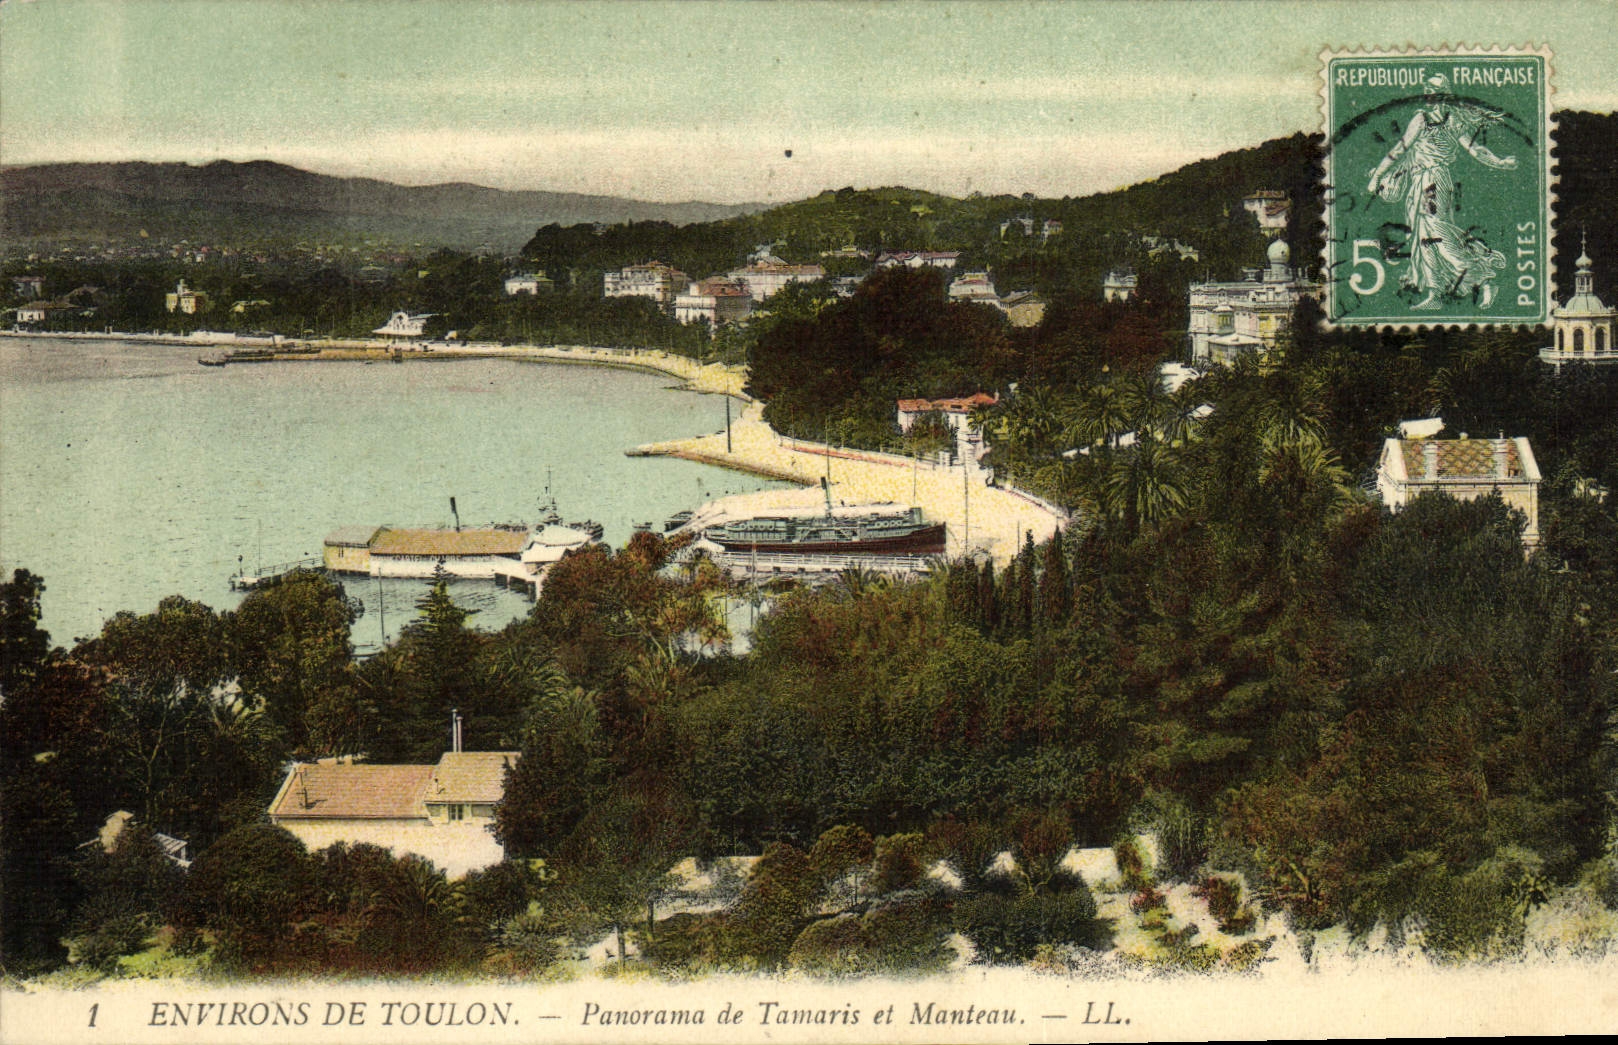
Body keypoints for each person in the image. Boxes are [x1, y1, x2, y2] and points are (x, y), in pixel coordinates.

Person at [1367, 74, 1517, 309]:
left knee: (1436, 232)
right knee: (1423, 237)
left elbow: (1400, 149)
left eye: (1433, 89)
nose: (1428, 93)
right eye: (1426, 89)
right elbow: (1473, 149)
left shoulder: (1428, 119)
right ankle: (1435, 293)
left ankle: (1483, 278)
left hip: (1432, 182)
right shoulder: (1444, 119)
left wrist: (1377, 176)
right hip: (1423, 181)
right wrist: (1500, 162)